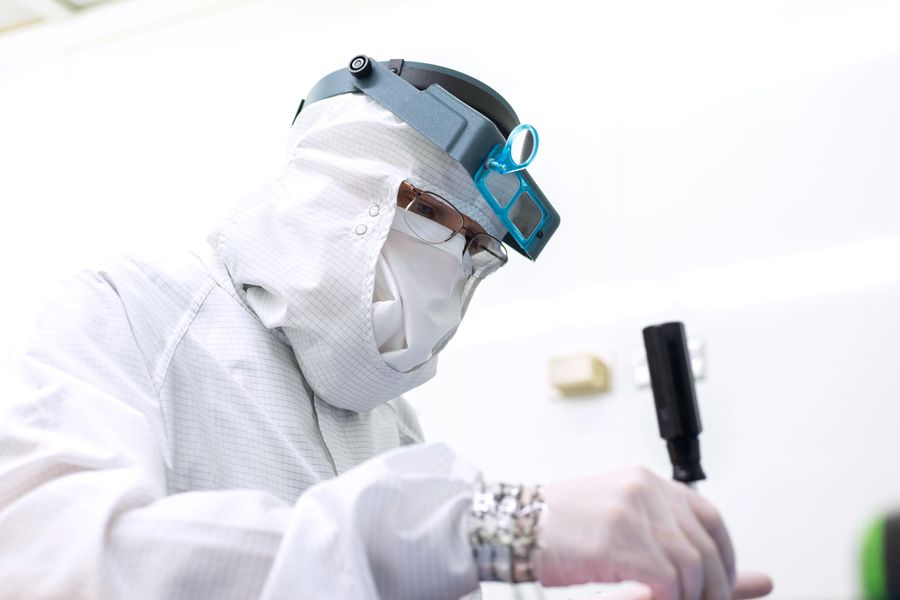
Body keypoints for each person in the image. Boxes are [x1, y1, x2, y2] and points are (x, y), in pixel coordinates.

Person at [0, 56, 773, 600]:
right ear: (333, 184)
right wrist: (491, 528)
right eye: (433, 215)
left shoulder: (390, 427)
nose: (455, 263)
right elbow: (56, 563)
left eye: (477, 247)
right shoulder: (127, 311)